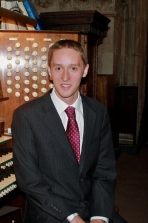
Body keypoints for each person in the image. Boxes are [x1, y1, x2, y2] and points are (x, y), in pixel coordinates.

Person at [12, 39, 124, 223]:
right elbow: (30, 182)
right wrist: (73, 218)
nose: (65, 77)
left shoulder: (98, 112)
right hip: (50, 211)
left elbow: (104, 172)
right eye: (58, 68)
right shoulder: (26, 116)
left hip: (92, 207)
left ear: (85, 70)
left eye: (73, 68)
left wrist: (99, 217)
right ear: (49, 71)